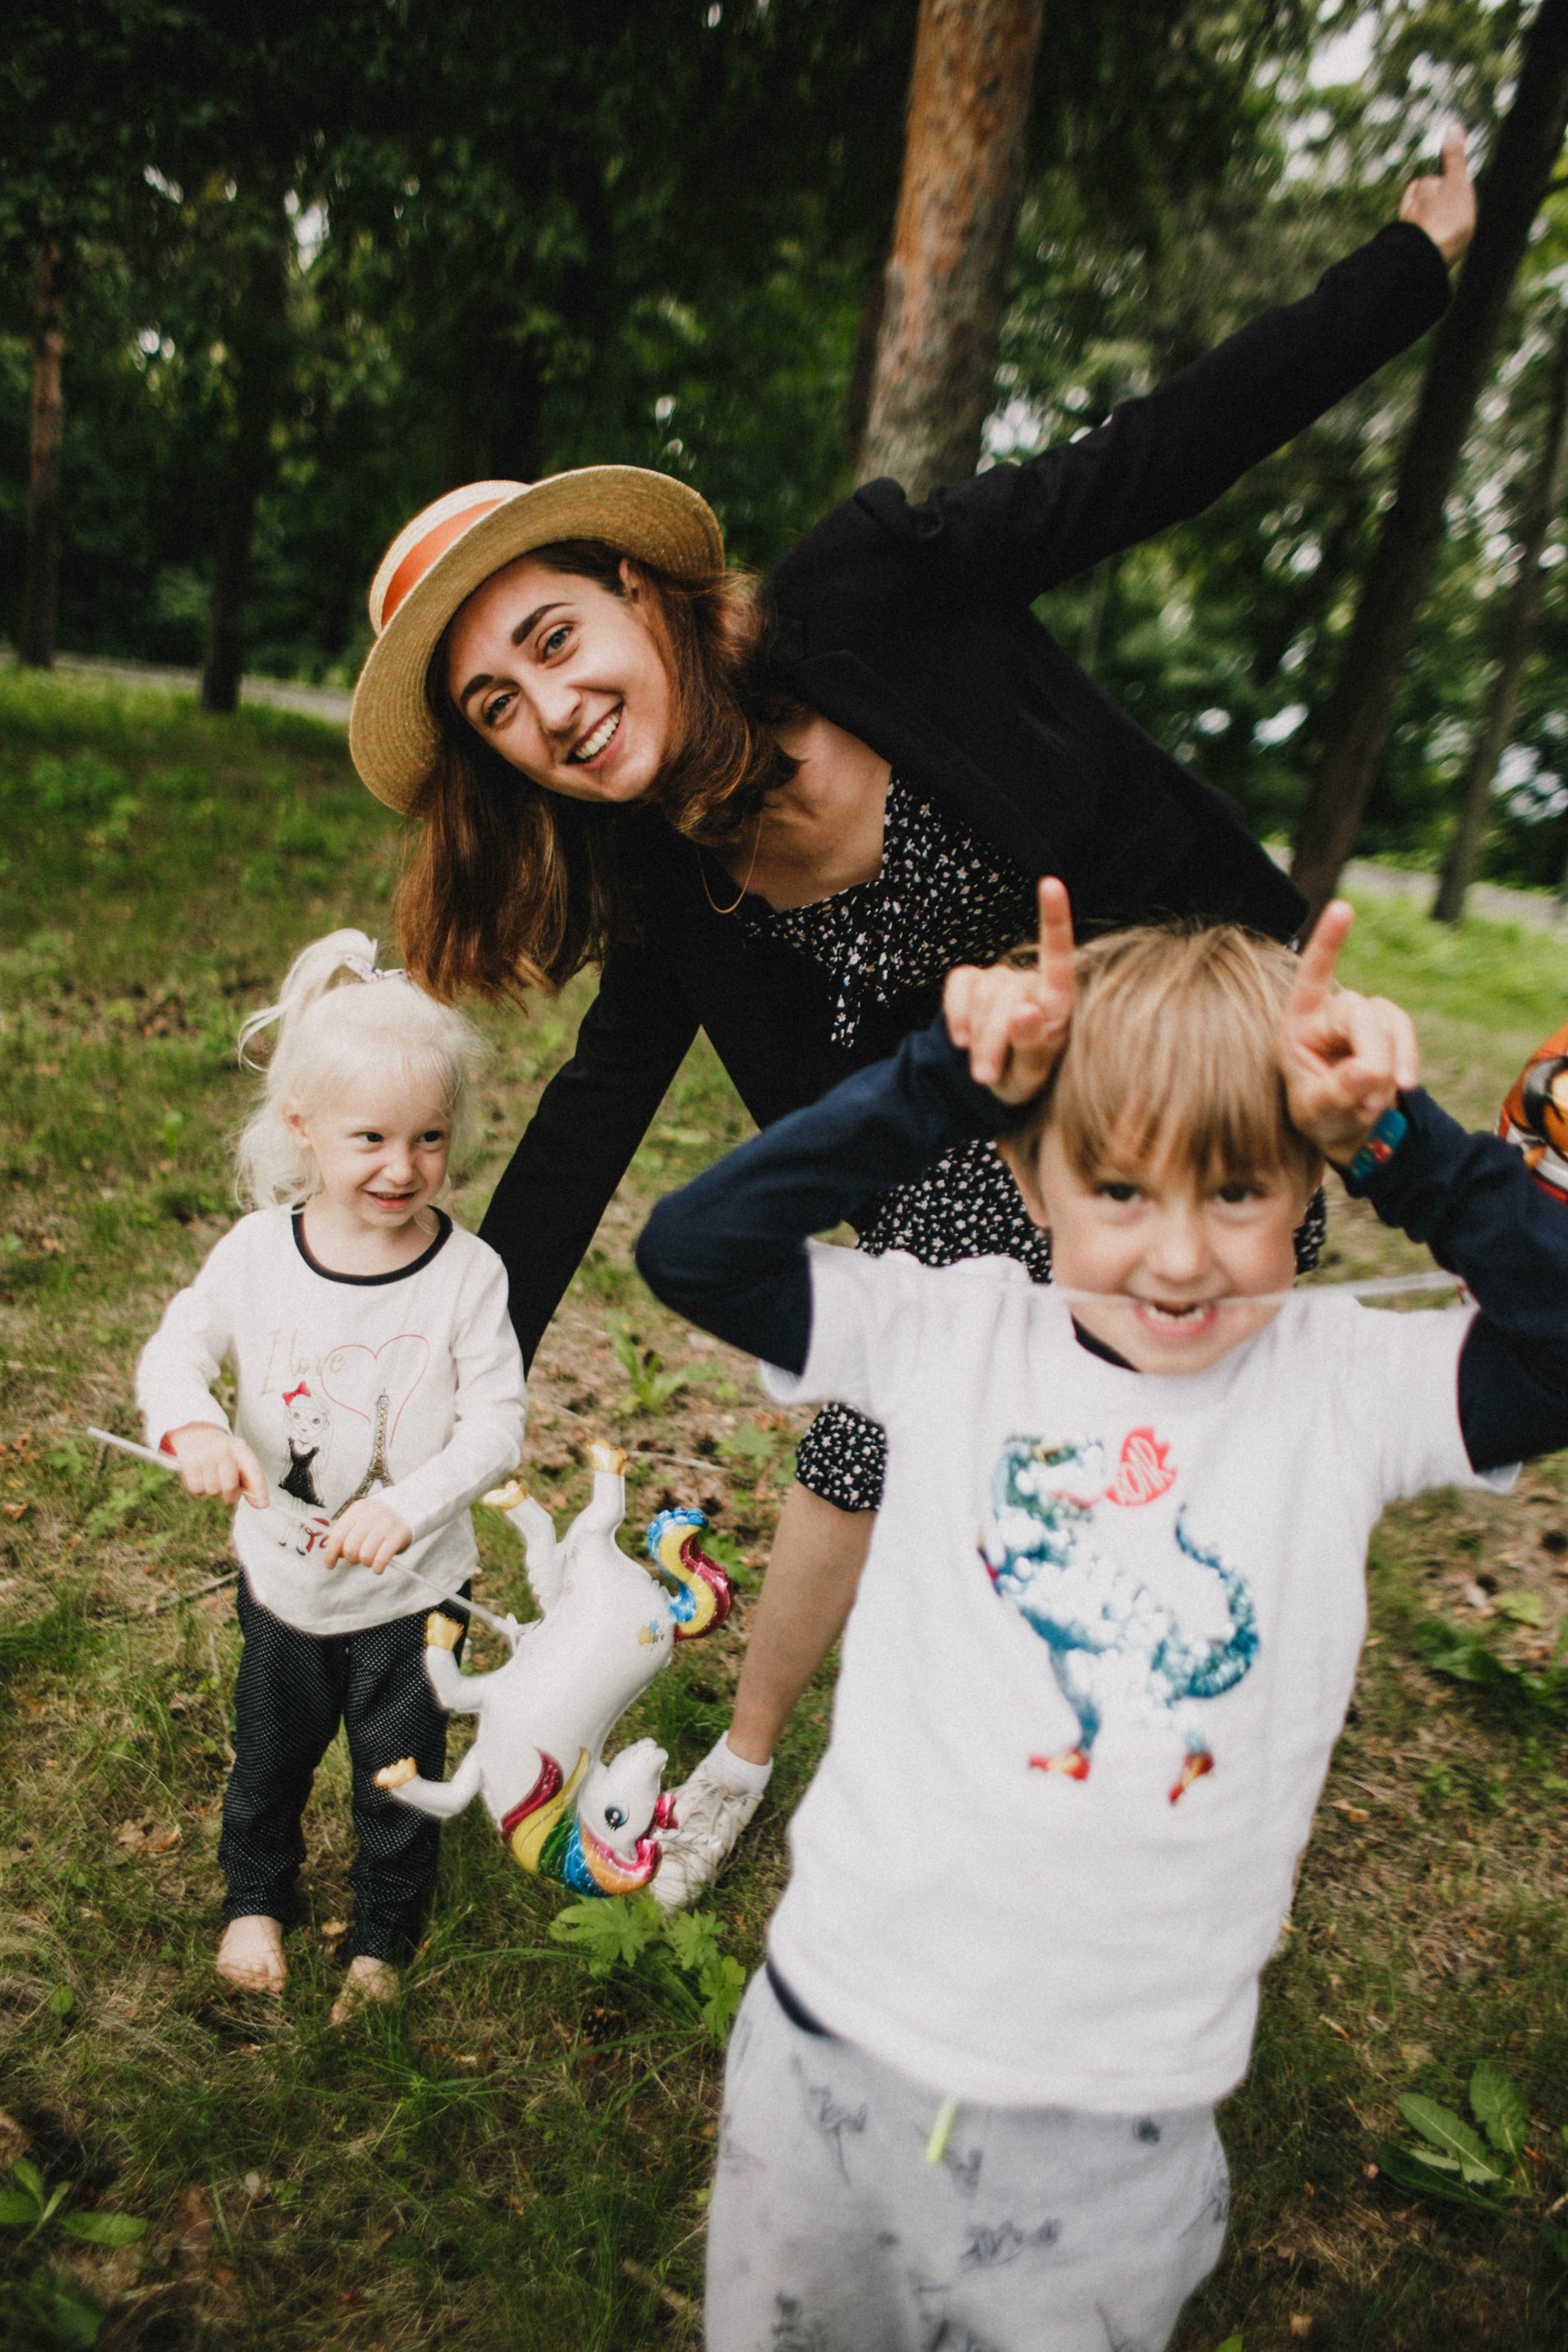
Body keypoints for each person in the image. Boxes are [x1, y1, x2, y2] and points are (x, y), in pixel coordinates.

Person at [345, 132, 1476, 1905]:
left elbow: (1149, 457)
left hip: (1184, 1052)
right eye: (499, 704)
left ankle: (1133, 1756)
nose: (550, 711)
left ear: (643, 598)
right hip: (976, 1154)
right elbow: (590, 1120)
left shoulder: (874, 594)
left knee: (1123, 1387)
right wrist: (450, 1356)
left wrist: (1408, 267)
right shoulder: (663, 887)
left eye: (559, 642)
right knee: (883, 1383)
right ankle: (739, 1758)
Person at [634, 884, 1568, 2350]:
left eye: (1239, 1192)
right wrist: (936, 1084)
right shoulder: (946, 1331)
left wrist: (1406, 1141)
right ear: (1027, 1179)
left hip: (1116, 2114)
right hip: (833, 2040)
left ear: (1311, 1187)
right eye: (1119, 1192)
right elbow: (691, 1252)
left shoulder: (1347, 1389)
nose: (1180, 1258)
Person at [136, 932, 526, 2021]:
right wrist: (191, 1430)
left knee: (397, 1774)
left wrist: (405, 1507)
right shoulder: (259, 1255)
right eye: (370, 1139)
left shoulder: (467, 1276)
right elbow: (176, 1353)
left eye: (429, 1139)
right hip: (287, 1584)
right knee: (269, 1756)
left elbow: (498, 1425)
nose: (401, 1168)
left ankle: (385, 1933)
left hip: (416, 1594)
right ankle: (256, 1898)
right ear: (303, 1129)